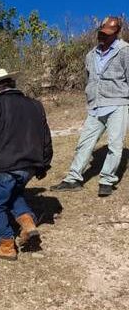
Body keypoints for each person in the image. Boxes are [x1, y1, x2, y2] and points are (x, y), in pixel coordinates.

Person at [0, 69, 53, 260]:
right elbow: (45, 136)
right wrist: (44, 164)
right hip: (30, 164)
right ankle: (28, 225)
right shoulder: (35, 105)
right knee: (13, 195)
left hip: (5, 165)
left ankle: (5, 245)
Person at [51, 16, 129, 197]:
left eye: (108, 33)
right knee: (84, 143)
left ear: (117, 33)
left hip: (118, 103)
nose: (103, 36)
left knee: (115, 145)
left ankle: (106, 180)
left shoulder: (125, 51)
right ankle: (73, 179)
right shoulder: (90, 55)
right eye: (102, 32)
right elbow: (89, 79)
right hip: (96, 105)